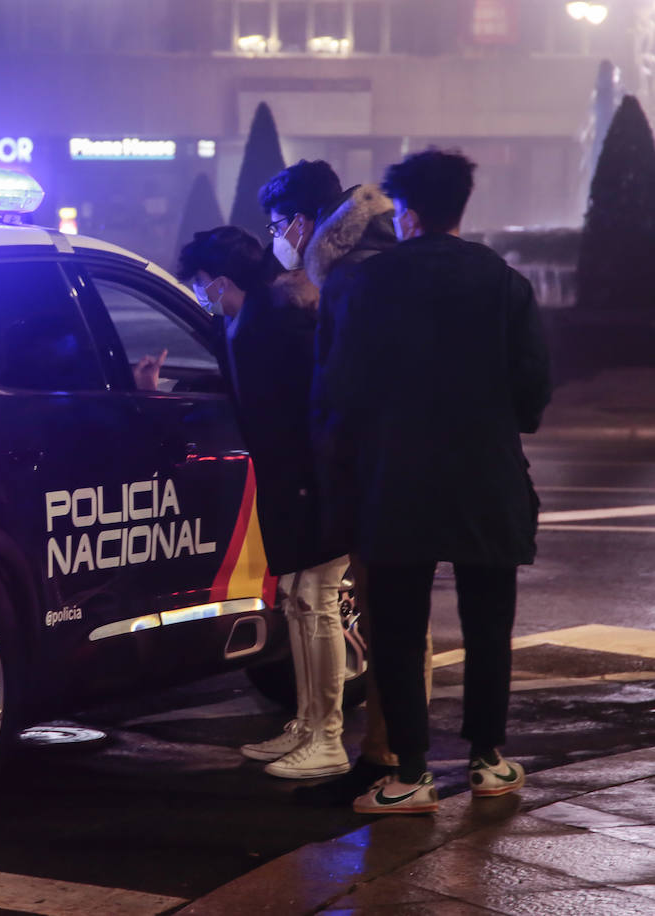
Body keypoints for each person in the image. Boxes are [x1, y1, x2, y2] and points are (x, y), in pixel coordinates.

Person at [313, 149, 551, 814]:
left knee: (396, 627)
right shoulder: (504, 283)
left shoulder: (360, 286)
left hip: (395, 479)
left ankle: (409, 771)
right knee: (487, 624)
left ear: (409, 214)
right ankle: (487, 760)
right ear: (458, 208)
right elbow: (533, 392)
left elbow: (336, 390)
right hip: (486, 478)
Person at [262, 160, 431, 805]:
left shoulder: (351, 278)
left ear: (304, 222)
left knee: (392, 611)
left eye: (280, 224)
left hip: (379, 468)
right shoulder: (380, 261)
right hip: (404, 461)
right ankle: (387, 746)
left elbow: (349, 384)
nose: (279, 236)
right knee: (396, 611)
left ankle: (391, 752)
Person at [178, 226, 350, 779]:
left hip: (312, 482)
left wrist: (312, 480)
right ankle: (307, 722)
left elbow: (311, 406)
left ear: (222, 281)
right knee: (298, 600)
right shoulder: (244, 322)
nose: (202, 294)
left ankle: (328, 736)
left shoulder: (278, 324)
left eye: (203, 284)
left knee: (314, 599)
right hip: (289, 482)